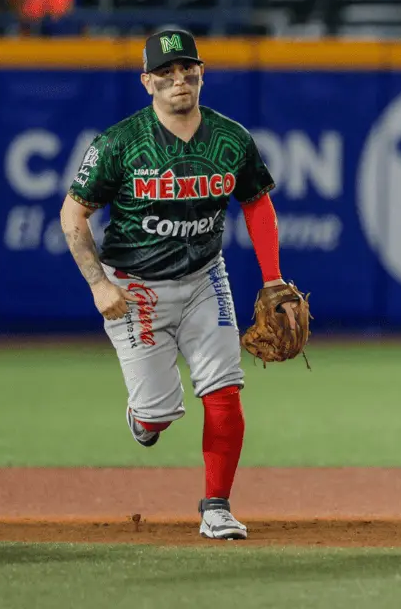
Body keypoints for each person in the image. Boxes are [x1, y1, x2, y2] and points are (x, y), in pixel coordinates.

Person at [59, 29, 299, 540]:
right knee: (156, 417)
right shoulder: (118, 143)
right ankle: (144, 417)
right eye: (165, 74)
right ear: (147, 81)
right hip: (135, 288)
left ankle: (217, 507)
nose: (177, 80)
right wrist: (98, 284)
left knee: (225, 390)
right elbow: (73, 214)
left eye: (186, 70)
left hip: (204, 278)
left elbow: (256, 202)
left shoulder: (230, 138)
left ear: (201, 73)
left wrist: (273, 277)